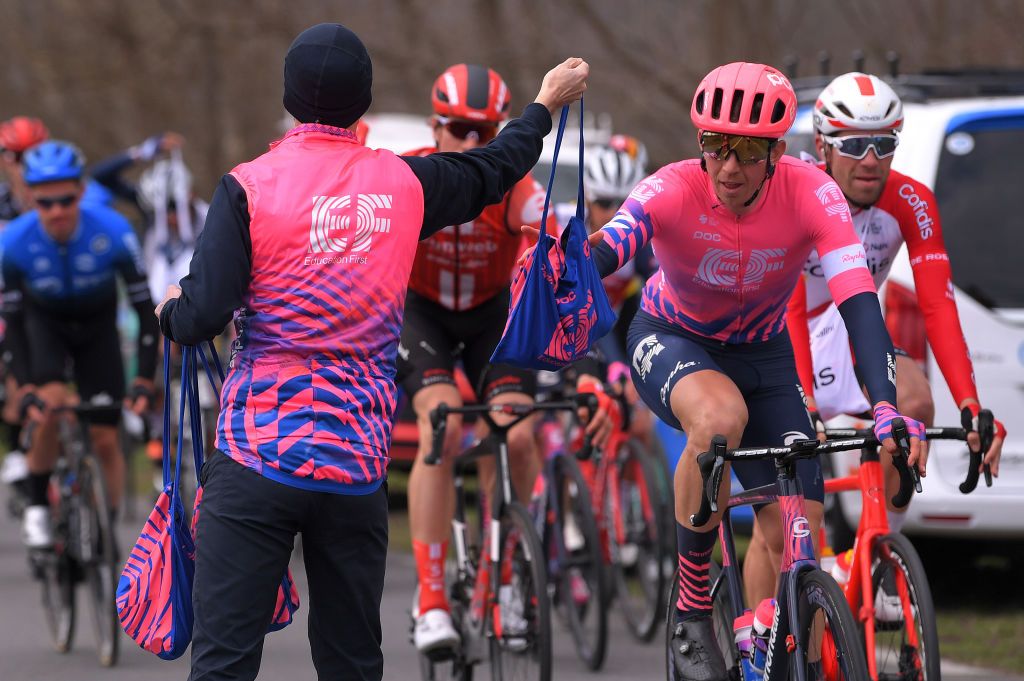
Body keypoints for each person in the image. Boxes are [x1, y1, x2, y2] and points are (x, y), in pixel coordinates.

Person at [155, 22, 588, 681]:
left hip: (255, 459)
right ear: (364, 102)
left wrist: (169, 310)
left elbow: (201, 315)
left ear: (289, 97)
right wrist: (544, 105)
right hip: (354, 467)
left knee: (222, 664)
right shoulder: (405, 185)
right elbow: (496, 170)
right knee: (353, 664)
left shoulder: (245, 186)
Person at [545, 62, 925, 681]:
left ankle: (766, 636)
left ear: (777, 151)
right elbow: (614, 242)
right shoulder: (672, 188)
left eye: (747, 151)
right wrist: (571, 262)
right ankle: (693, 606)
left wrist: (885, 406)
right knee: (721, 419)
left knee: (797, 524)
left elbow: (860, 305)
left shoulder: (812, 191)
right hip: (673, 336)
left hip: (763, 353)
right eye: (715, 145)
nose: (728, 165)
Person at [741, 71, 1008, 607]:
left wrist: (971, 403)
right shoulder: (795, 191)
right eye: (855, 144)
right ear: (821, 144)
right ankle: (760, 632)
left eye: (884, 144)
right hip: (779, 337)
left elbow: (937, 305)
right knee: (786, 532)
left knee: (913, 401)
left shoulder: (912, 200)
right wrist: (805, 402)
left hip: (849, 331)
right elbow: (792, 305)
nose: (870, 159)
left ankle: (880, 551)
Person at [399, 62, 557, 654]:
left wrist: (557, 243)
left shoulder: (512, 181)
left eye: (484, 132)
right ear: (434, 127)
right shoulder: (408, 174)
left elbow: (545, 220)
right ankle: (433, 596)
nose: (471, 143)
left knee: (515, 434)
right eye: (459, 129)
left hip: (493, 312)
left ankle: (507, 574)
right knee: (440, 423)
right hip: (426, 314)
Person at [0, 140, 158, 548]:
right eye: (45, 202)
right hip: (44, 324)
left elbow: (145, 310)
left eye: (66, 200)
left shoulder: (114, 231)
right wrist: (25, 383)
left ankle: (103, 528)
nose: (56, 212)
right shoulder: (13, 242)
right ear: (31, 197)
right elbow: (12, 320)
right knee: (49, 406)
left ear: (81, 192)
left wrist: (143, 377)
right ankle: (38, 507)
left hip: (97, 326)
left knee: (106, 437)